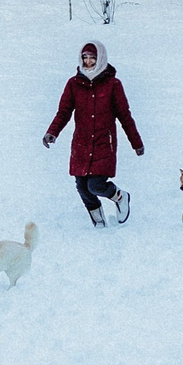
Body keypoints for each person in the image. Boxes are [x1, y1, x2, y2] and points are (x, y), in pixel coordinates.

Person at [45, 41, 144, 226]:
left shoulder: (113, 85)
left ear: (101, 59)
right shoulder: (74, 84)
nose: (88, 61)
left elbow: (125, 116)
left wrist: (136, 143)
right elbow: (64, 112)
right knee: (82, 187)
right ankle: (99, 223)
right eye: (85, 57)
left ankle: (121, 197)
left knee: (96, 185)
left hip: (103, 143)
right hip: (81, 144)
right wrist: (52, 132)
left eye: (92, 58)